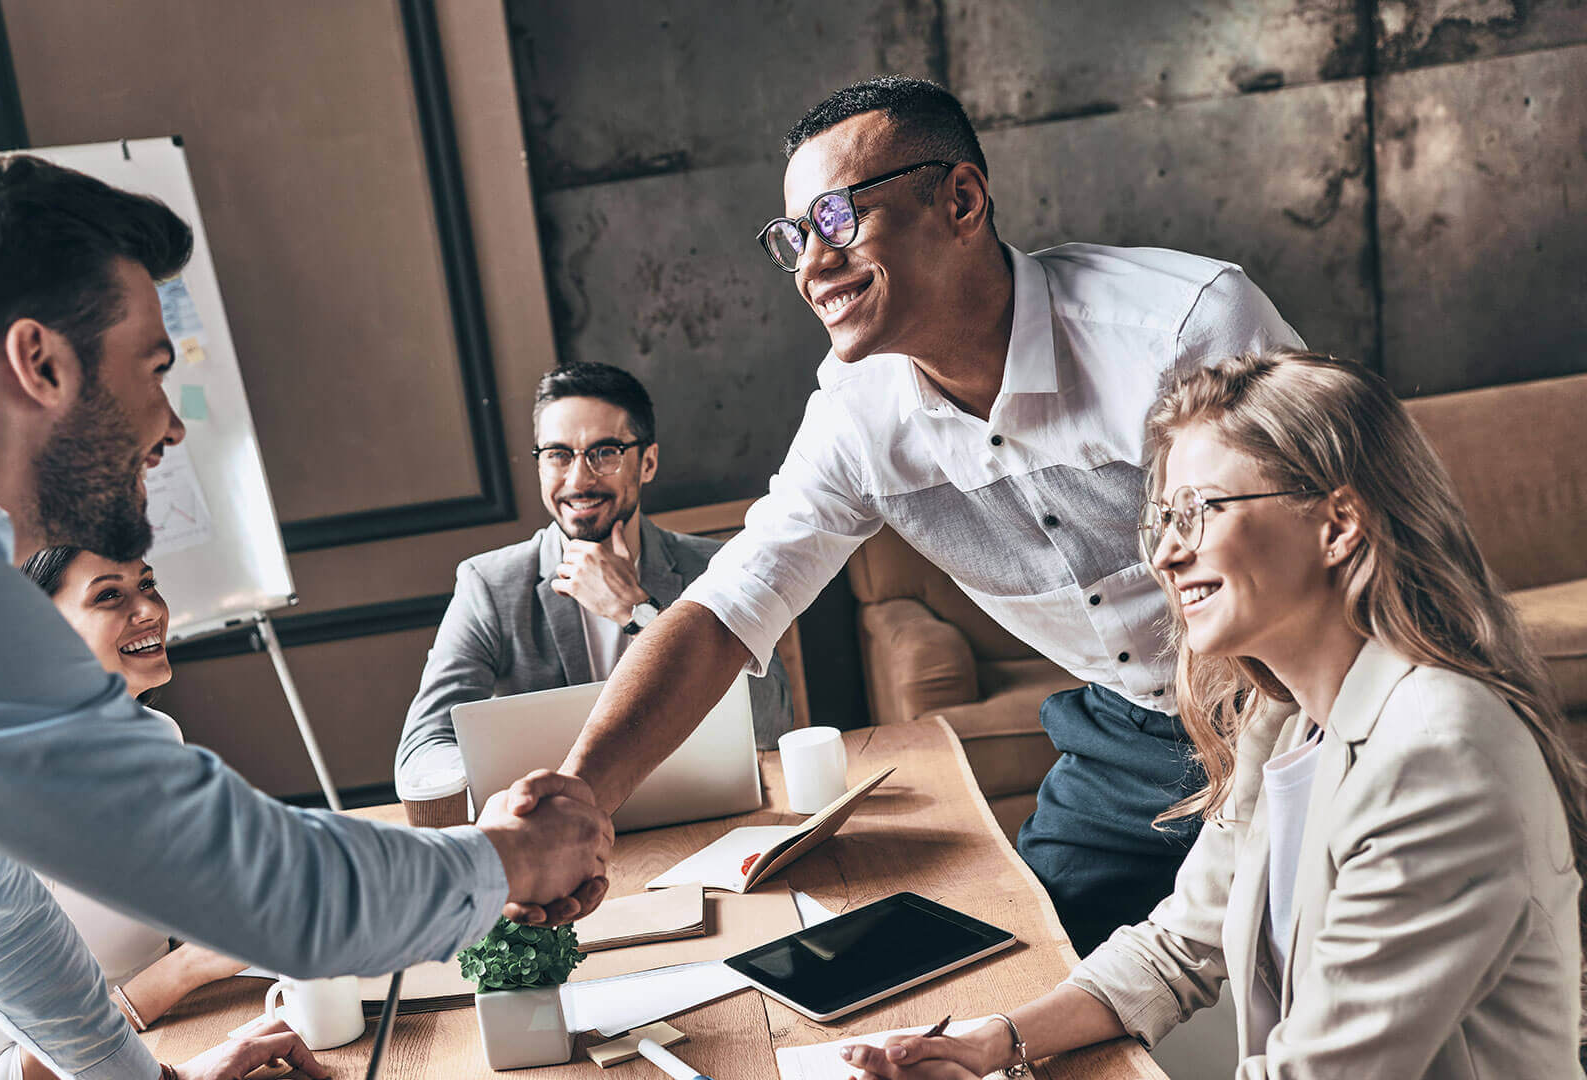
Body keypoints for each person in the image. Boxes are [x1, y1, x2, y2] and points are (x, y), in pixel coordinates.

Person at [0, 155, 609, 1080]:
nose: (170, 423)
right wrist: (517, 857)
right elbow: (276, 893)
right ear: (39, 363)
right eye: (151, 370)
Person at [505, 75, 1303, 949]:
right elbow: (726, 609)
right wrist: (580, 797)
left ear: (961, 200)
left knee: (1325, 974)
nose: (812, 263)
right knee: (1017, 975)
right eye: (793, 237)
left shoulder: (1183, 329)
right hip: (1130, 733)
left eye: (840, 219)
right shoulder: (856, 417)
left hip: (1299, 700)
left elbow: (1343, 551)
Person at [841, 352, 1586, 1079]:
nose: (1164, 555)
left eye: (1199, 511)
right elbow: (1177, 944)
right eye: (1164, 518)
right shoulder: (1283, 721)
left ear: (1338, 525)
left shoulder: (1434, 753)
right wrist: (991, 1042)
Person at [0, 548, 289, 1080]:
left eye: (147, 585)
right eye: (109, 595)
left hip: (163, 1037)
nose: (149, 609)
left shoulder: (159, 737)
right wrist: (186, 970)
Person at [395, 361, 793, 796]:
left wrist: (637, 613)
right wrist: (522, 791)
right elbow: (421, 751)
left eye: (605, 452)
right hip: (549, 831)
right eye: (558, 455)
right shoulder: (488, 586)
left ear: (648, 462)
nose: (578, 479)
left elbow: (771, 724)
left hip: (696, 818)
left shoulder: (717, 567)